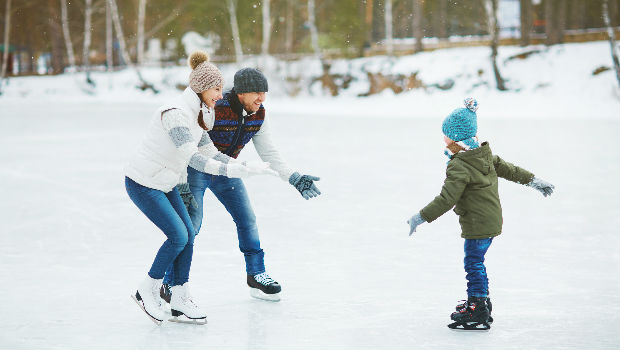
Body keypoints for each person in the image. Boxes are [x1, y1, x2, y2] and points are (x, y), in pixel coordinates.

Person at [124, 52, 275, 325]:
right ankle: (147, 289)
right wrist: (233, 170)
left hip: (166, 182)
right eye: (217, 89)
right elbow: (192, 157)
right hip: (144, 183)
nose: (221, 95)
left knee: (188, 234)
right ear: (202, 88)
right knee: (178, 236)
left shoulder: (200, 115)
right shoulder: (176, 114)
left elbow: (211, 152)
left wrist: (246, 167)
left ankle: (179, 297)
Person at [161, 68, 322, 303]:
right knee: (189, 228)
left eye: (264, 93)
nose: (262, 98)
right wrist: (181, 181)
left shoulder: (258, 113)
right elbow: (185, 145)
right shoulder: (215, 106)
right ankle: (169, 283)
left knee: (247, 219)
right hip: (196, 170)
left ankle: (256, 274)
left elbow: (268, 151)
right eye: (257, 93)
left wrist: (293, 177)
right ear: (241, 93)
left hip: (228, 170)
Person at [406, 98, 555, 330]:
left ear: (456, 138)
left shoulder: (460, 165)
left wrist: (421, 216)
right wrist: (534, 181)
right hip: (490, 219)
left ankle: (478, 307)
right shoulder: (483, 156)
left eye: (446, 135)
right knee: (477, 263)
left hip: (477, 223)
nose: (444, 138)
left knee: (474, 263)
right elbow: (512, 170)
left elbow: (447, 198)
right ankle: (481, 301)